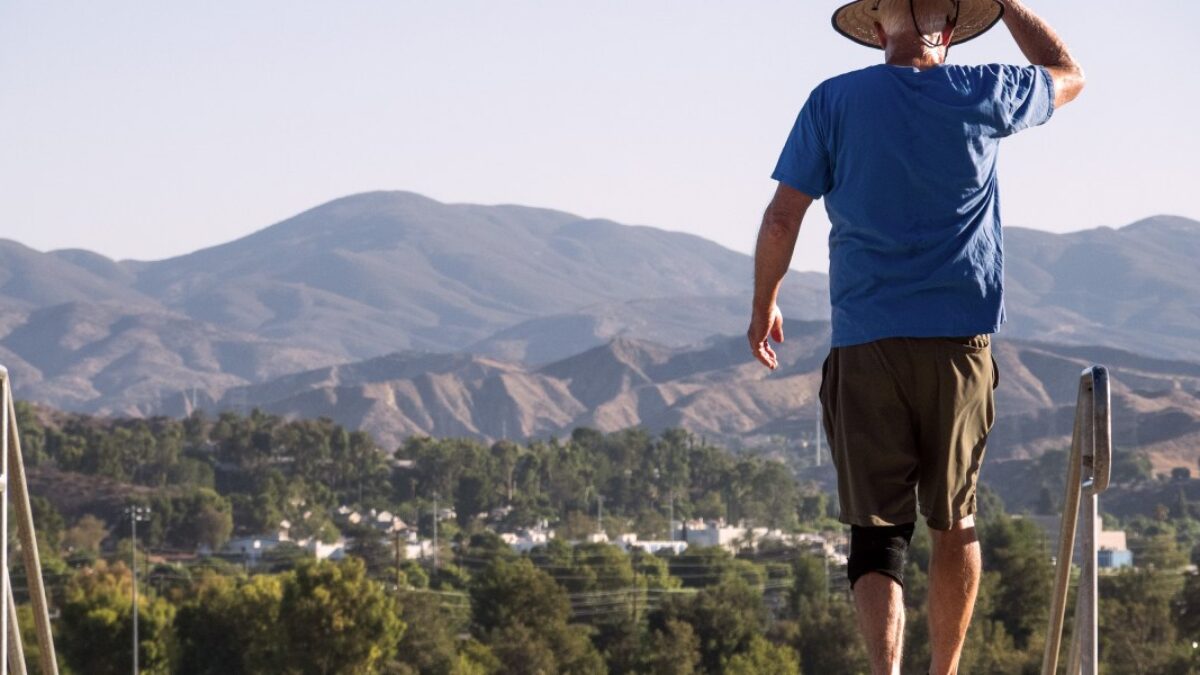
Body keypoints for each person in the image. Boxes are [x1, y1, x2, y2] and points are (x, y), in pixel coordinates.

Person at [746, 0, 1084, 673]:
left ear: (877, 28)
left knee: (876, 535)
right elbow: (1067, 73)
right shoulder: (985, 88)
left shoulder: (833, 101)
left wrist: (765, 303)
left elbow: (784, 218)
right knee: (954, 520)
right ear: (952, 29)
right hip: (959, 346)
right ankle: (945, 670)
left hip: (866, 343)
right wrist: (1011, 3)